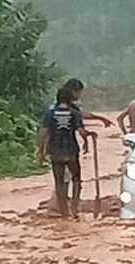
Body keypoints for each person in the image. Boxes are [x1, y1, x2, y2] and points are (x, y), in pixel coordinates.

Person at [36, 87, 94, 218]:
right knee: (76, 179)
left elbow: (43, 132)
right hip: (71, 150)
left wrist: (41, 149)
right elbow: (81, 131)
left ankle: (64, 212)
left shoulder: (50, 114)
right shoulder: (74, 113)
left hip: (55, 151)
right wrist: (88, 138)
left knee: (59, 181)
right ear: (70, 99)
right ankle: (74, 207)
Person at [62, 78, 114, 154]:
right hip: (68, 146)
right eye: (79, 92)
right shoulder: (70, 108)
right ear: (73, 91)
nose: (80, 95)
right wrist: (100, 119)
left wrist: (85, 139)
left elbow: (78, 121)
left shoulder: (61, 106)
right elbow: (80, 117)